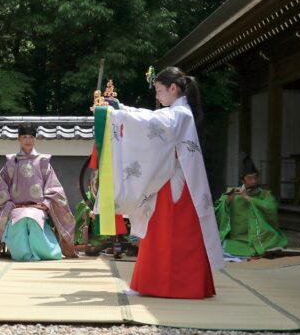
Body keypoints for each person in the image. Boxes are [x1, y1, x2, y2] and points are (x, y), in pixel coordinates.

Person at [93, 66, 223, 298]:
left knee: (167, 232)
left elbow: (150, 121)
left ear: (173, 88)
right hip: (173, 180)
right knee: (167, 232)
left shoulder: (179, 114)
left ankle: (168, 286)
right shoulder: (178, 113)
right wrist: (121, 109)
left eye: (159, 90)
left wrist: (118, 113)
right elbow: (151, 119)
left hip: (174, 182)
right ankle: (167, 285)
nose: (157, 95)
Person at [0, 123, 77, 260]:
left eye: (30, 137)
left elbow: (54, 188)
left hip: (38, 207)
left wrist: (46, 203)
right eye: (24, 137)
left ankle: (45, 253)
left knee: (33, 220)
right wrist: (9, 203)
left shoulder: (43, 161)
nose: (27, 140)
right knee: (20, 222)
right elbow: (1, 187)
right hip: (16, 207)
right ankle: (21, 255)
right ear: (19, 139)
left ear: (35, 139)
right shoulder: (11, 161)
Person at [214, 156, 288, 257]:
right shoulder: (232, 193)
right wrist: (227, 202)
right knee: (220, 247)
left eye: (255, 177)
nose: (253, 181)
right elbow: (217, 212)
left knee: (276, 243)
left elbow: (271, 209)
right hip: (237, 240)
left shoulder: (265, 195)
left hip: (262, 238)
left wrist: (249, 199)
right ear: (242, 181)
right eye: (250, 178)